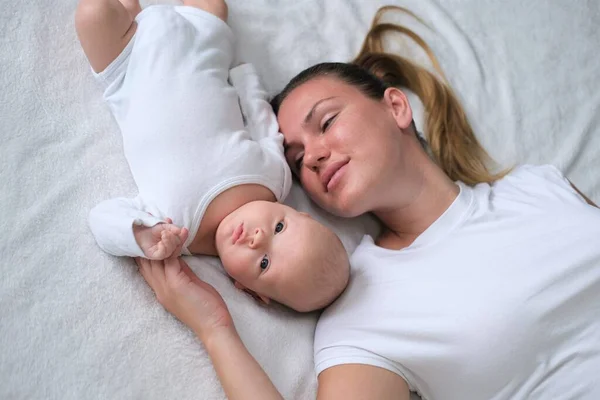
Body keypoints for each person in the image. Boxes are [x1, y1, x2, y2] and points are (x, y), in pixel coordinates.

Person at [131, 3, 600, 400]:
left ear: (396, 107)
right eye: (295, 161)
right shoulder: (364, 316)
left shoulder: (540, 185)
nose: (312, 156)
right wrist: (216, 331)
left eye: (327, 122)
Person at [75, 0, 350, 312]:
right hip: (203, 48)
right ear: (300, 214)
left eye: (263, 263)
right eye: (279, 228)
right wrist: (245, 78)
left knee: (93, 13)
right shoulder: (276, 179)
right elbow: (262, 124)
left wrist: (140, 235)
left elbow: (101, 219)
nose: (258, 238)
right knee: (214, 6)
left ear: (247, 289)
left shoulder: (175, 232)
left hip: (128, 68)